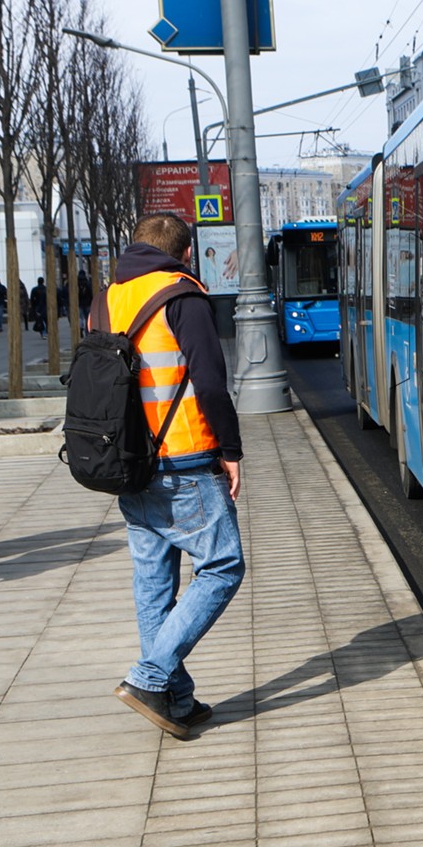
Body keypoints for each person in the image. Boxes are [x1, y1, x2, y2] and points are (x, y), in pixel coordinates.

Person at [104, 212, 245, 740]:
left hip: (127, 462)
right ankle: (149, 677)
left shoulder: (108, 297)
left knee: (154, 585)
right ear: (184, 253)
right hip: (183, 455)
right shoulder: (182, 295)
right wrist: (229, 450)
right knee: (223, 566)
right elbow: (209, 381)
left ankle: (177, 701)